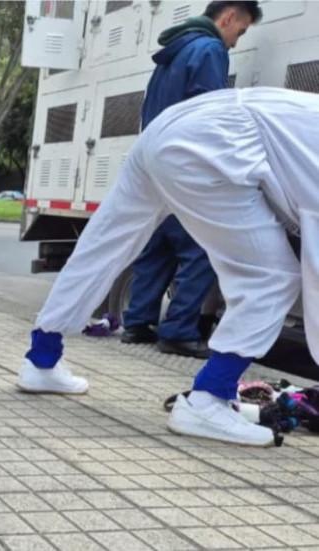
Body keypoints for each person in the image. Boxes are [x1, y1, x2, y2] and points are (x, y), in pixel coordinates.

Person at [18, 86, 319, 447]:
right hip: (214, 142)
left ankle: (42, 359)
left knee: (103, 243)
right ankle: (207, 400)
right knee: (272, 277)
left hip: (172, 128)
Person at [120, 1, 261, 358]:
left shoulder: (173, 51)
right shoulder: (210, 48)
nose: (236, 43)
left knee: (158, 247)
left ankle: (137, 323)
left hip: (155, 163)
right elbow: (208, 113)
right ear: (228, 17)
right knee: (200, 248)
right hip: (188, 166)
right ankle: (179, 331)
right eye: (240, 32)